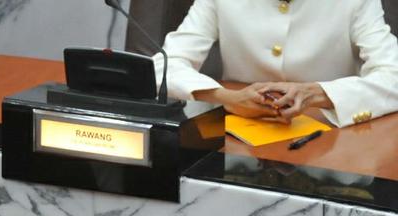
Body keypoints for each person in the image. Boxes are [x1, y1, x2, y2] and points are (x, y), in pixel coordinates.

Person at [153, 0, 398, 127]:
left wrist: (318, 93)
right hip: (238, 143)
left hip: (331, 145)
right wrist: (227, 97)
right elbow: (162, 66)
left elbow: (394, 76)